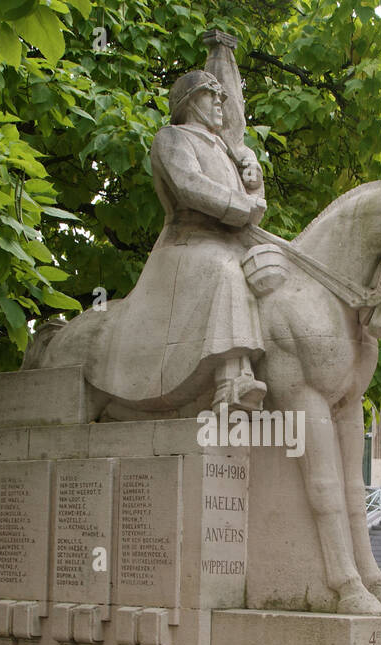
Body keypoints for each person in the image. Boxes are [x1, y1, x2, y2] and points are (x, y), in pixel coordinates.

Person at [89, 69, 269, 412]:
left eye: (222, 96)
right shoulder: (172, 138)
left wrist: (253, 179)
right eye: (210, 95)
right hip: (187, 243)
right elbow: (189, 186)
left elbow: (254, 204)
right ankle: (233, 380)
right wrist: (241, 205)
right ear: (188, 102)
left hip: (230, 240)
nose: (220, 102)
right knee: (229, 272)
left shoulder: (227, 151)